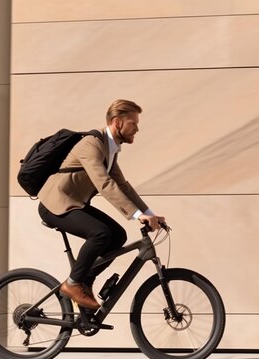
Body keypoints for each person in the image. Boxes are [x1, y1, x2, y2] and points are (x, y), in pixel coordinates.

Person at [37, 99, 165, 310]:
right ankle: (72, 284)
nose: (137, 129)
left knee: (118, 235)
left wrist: (149, 213)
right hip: (55, 204)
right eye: (133, 123)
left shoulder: (109, 150)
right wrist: (136, 214)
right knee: (101, 233)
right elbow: (104, 184)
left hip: (73, 204)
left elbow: (123, 186)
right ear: (117, 122)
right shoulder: (92, 144)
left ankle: (85, 281)